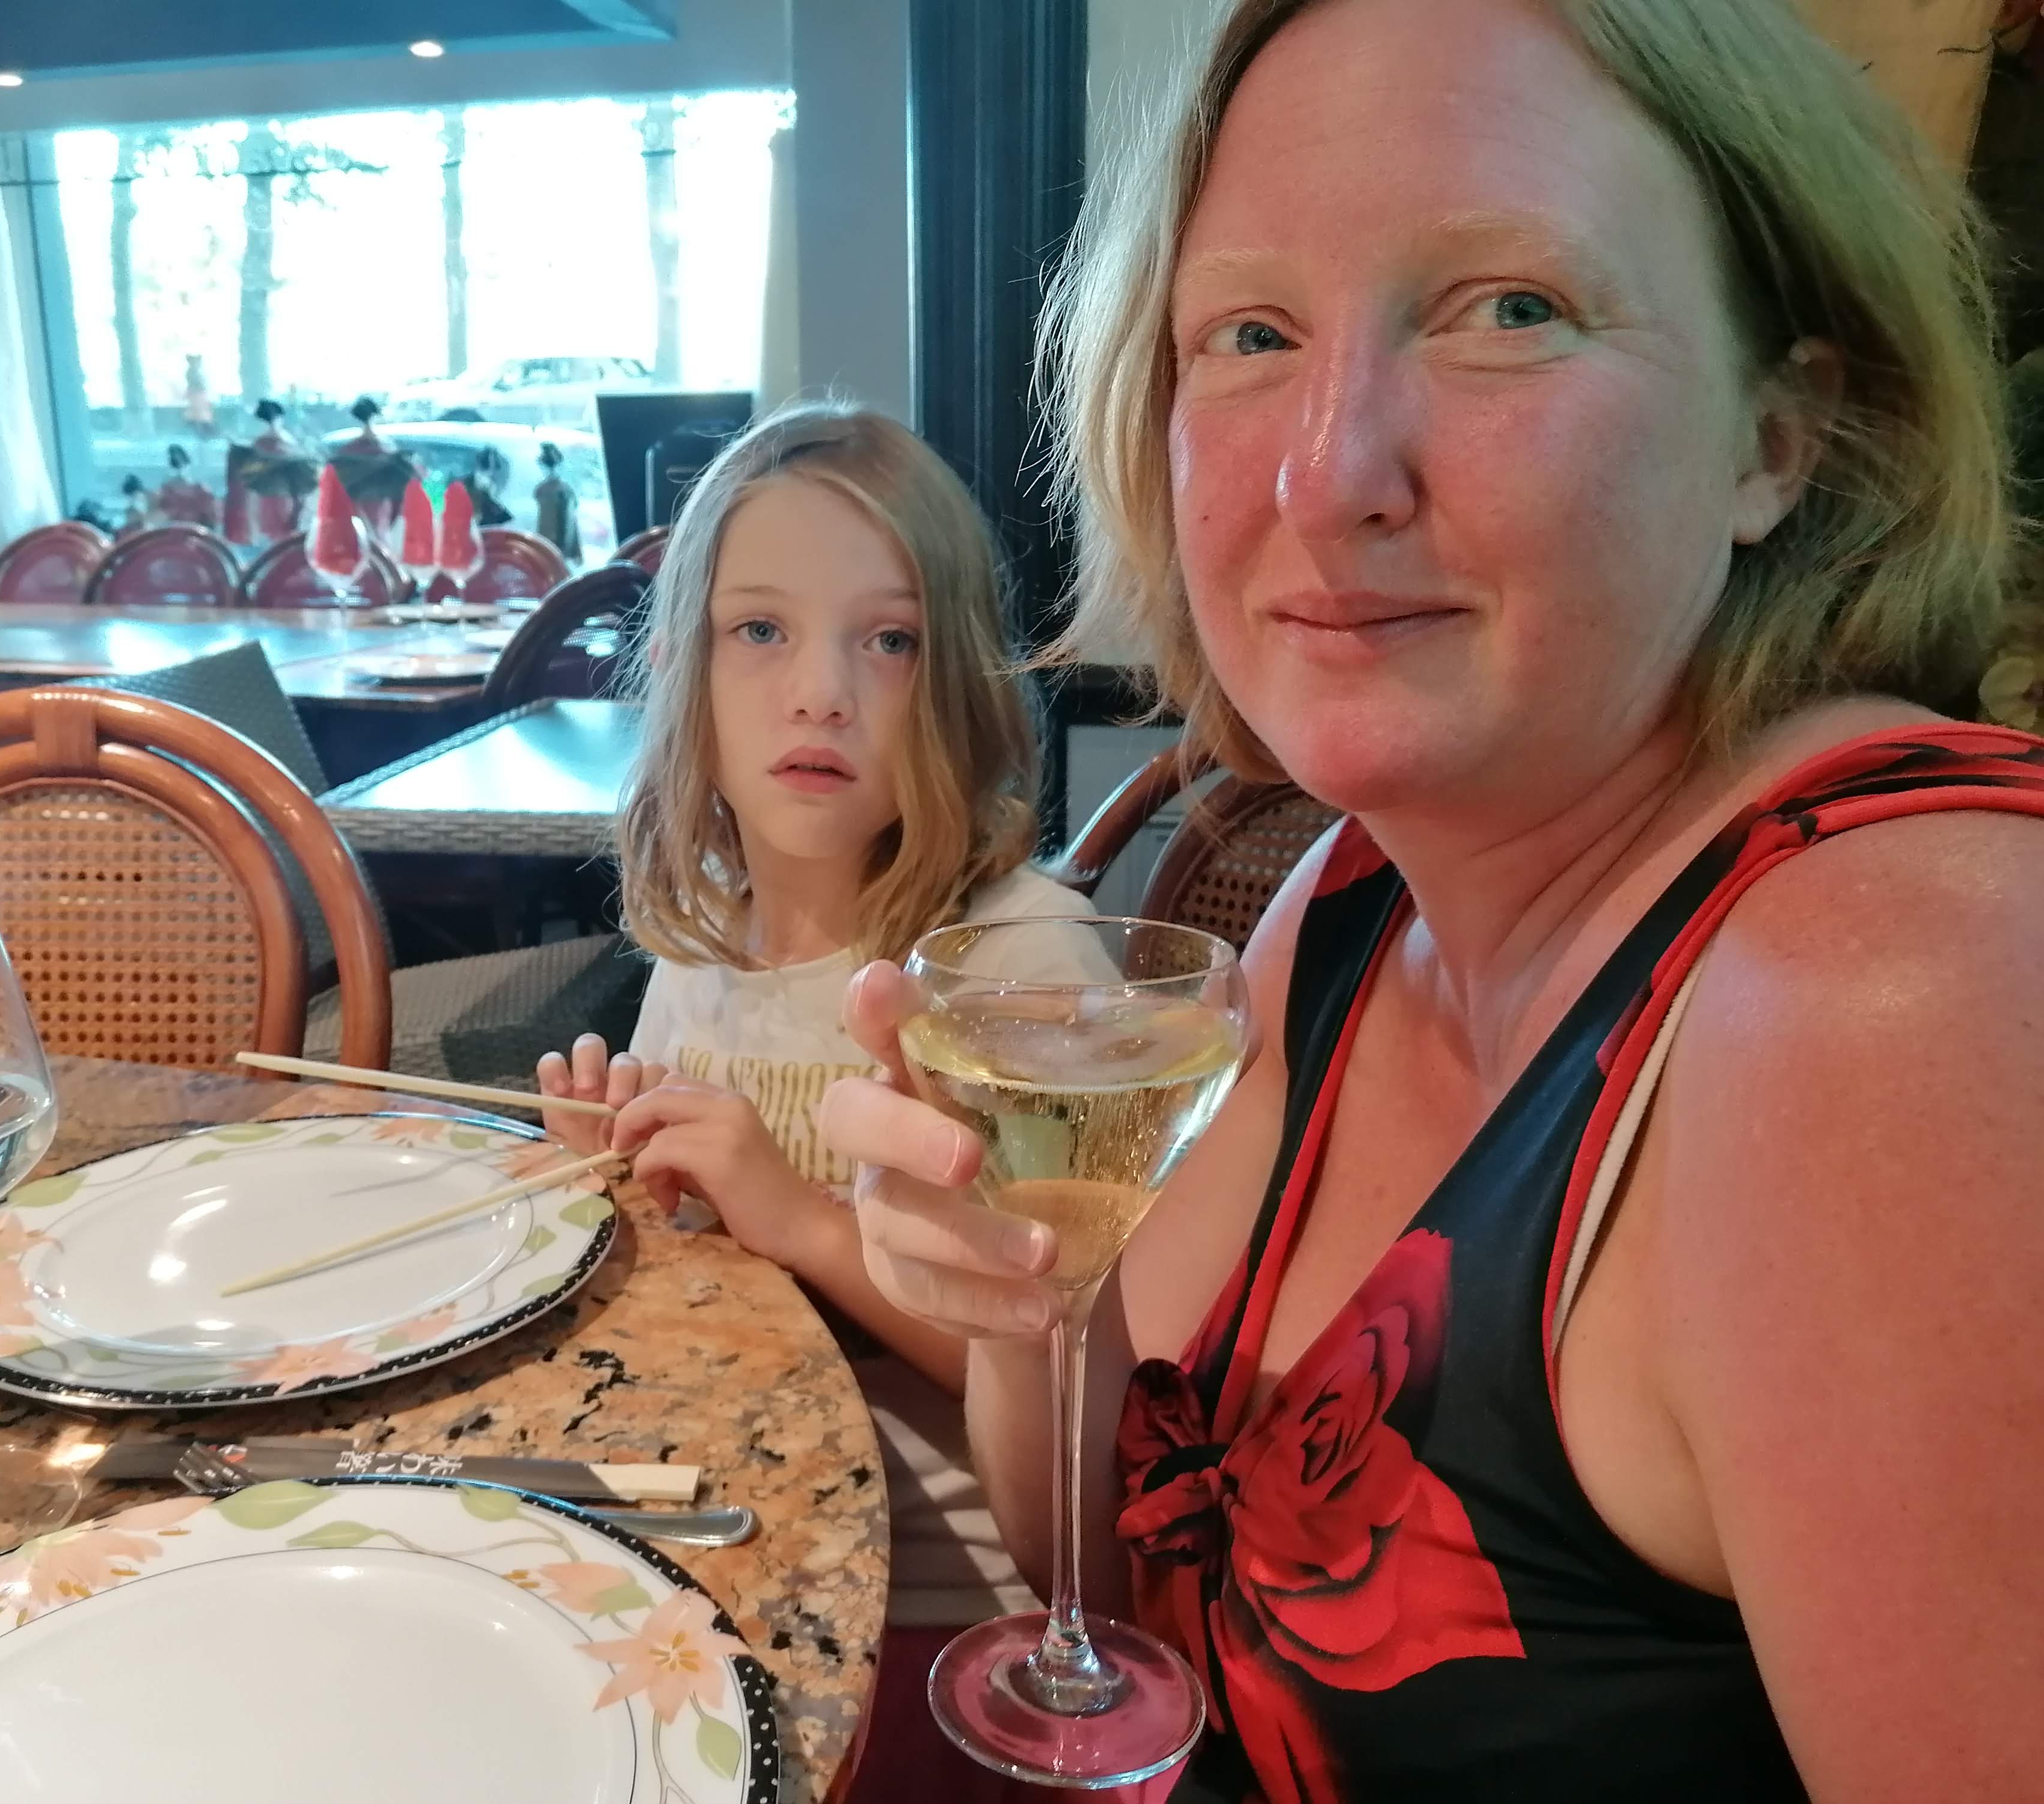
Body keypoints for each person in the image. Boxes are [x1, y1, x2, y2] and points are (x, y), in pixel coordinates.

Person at [817, 1, 2044, 1799]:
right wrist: (1023, 1301)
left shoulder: (1892, 990)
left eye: (1506, 310)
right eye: (1248, 334)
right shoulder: (1348, 901)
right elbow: (1126, 1587)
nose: (1326, 475)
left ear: (1778, 436)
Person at [535, 402, 1091, 1791]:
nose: (820, 693)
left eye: (887, 640)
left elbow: (1065, 1363)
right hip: (724, 1548)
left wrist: (794, 1214)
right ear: (688, 670)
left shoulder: (1015, 966)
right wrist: (627, 1179)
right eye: (760, 630)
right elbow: (713, 1267)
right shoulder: (702, 943)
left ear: (954, 684)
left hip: (945, 1627)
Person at [533, 440, 582, 564]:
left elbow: (570, 522)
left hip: (557, 545)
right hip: (548, 545)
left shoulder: (563, 491)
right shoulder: (543, 490)